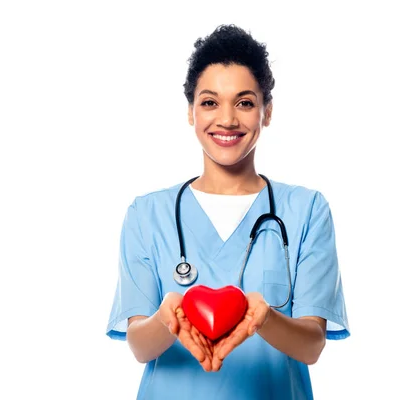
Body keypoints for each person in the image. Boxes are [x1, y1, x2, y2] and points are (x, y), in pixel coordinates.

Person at [106, 24, 349, 400]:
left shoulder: (306, 211)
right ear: (190, 112)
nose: (227, 120)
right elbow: (139, 346)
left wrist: (263, 317)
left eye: (245, 102)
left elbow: (312, 346)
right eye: (209, 102)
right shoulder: (146, 214)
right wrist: (168, 317)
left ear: (266, 113)